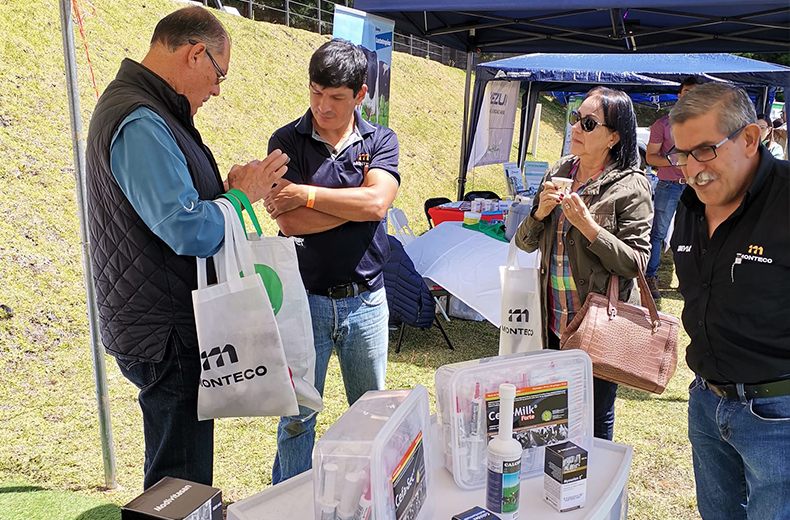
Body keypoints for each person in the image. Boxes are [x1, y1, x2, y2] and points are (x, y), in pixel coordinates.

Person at [85, 7, 289, 489]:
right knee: (180, 483)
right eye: (219, 75)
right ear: (196, 54)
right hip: (165, 330)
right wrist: (241, 198)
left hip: (158, 318)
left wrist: (224, 190)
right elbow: (185, 228)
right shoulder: (140, 119)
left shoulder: (146, 108)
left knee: (178, 470)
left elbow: (167, 206)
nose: (217, 90)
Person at [264, 39, 400, 483]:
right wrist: (351, 207)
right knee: (298, 416)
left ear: (361, 95)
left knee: (373, 415)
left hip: (368, 303)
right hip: (305, 299)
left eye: (336, 97)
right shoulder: (286, 140)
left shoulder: (381, 139)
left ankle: (373, 497)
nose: (323, 106)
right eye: (315, 92)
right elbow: (288, 223)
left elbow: (378, 203)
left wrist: (307, 194)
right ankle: (291, 502)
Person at [668, 82, 790, 520]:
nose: (690, 170)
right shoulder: (690, 203)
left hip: (778, 413)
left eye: (703, 151)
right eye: (680, 155)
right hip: (706, 400)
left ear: (750, 138)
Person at [514, 86, 653, 441]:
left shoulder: (631, 185)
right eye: (576, 118)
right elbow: (524, 242)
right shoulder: (560, 169)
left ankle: (594, 489)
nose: (576, 128)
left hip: (597, 325)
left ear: (614, 136)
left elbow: (637, 262)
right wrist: (540, 212)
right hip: (552, 319)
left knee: (594, 415)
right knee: (549, 412)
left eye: (589, 123)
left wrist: (589, 228)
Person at [644, 77, 702, 299]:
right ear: (679, 95)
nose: (691, 96)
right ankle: (651, 277)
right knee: (658, 232)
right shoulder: (663, 124)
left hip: (696, 186)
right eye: (687, 92)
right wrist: (678, 160)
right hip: (668, 186)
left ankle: (687, 279)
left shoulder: (707, 125)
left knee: (692, 233)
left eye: (696, 93)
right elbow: (650, 157)